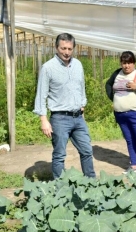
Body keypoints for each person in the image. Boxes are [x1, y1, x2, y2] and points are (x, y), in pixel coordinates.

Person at [33, 33, 96, 179]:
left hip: (78, 117)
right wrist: (43, 119)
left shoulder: (78, 65)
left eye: (69, 48)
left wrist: (82, 104)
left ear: (73, 48)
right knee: (60, 154)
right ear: (56, 48)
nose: (66, 52)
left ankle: (92, 184)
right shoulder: (48, 68)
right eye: (63, 48)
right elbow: (41, 94)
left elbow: (81, 87)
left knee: (87, 151)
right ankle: (60, 189)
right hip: (60, 118)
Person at [105, 51, 136, 174]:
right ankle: (134, 165)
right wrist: (114, 98)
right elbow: (108, 84)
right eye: (124, 63)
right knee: (130, 140)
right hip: (121, 115)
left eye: (129, 63)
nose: (126, 66)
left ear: (134, 63)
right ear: (121, 63)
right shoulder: (117, 73)